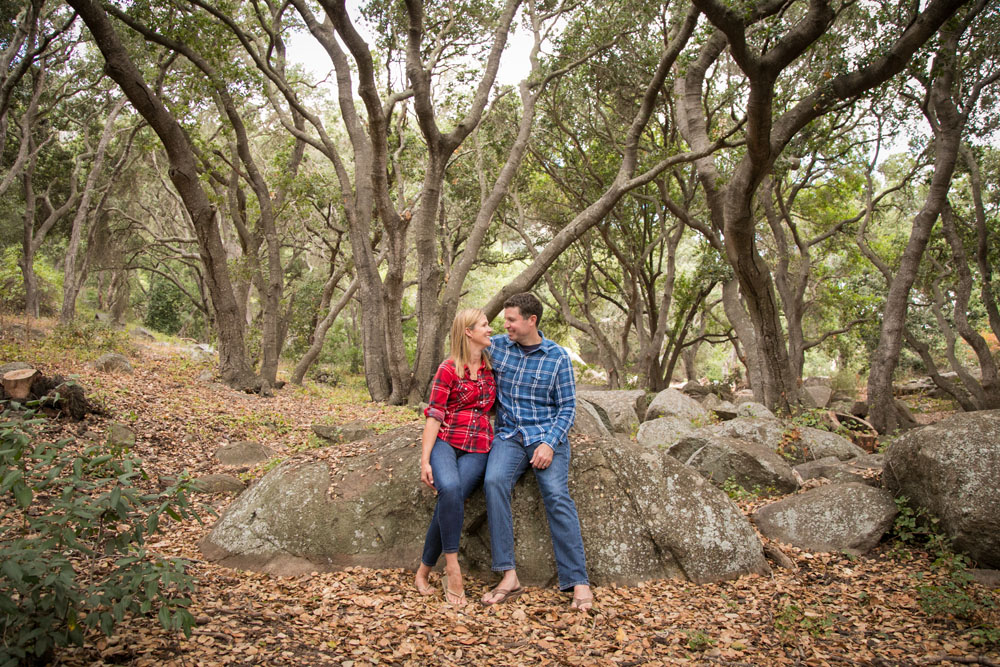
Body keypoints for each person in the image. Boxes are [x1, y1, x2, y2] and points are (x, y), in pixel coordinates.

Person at [480, 292, 593, 611]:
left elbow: (568, 407)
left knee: (556, 495)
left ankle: (578, 580)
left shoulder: (557, 356)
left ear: (532, 321)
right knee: (493, 483)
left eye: (512, 320)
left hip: (545, 436)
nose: (506, 326)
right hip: (509, 435)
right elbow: (466, 340)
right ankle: (508, 575)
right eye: (505, 321)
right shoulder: (500, 346)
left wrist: (549, 442)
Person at [414, 308, 495, 606]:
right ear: (468, 332)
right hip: (447, 441)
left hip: (479, 445)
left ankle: (423, 571)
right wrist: (425, 460)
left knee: (453, 494)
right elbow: (434, 415)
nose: (490, 329)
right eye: (484, 325)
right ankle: (452, 567)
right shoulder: (448, 368)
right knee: (448, 488)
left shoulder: (491, 365)